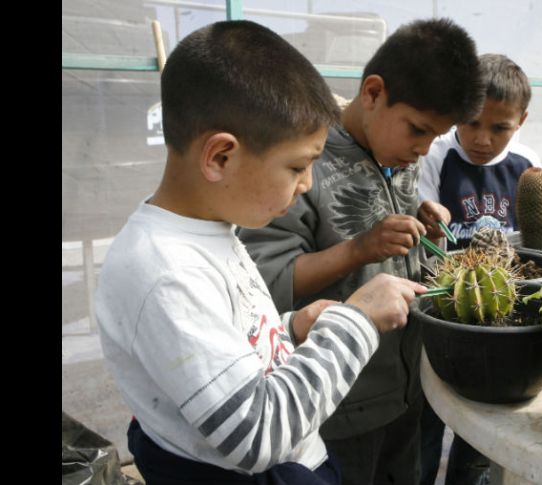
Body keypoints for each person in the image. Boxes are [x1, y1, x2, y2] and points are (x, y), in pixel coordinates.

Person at [94, 20, 427, 485]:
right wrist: (358, 321)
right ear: (220, 157)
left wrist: (291, 328)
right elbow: (256, 434)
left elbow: (232, 352)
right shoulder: (166, 273)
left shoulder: (210, 230)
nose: (308, 183)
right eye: (298, 166)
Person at [236, 18, 484, 485]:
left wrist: (422, 218)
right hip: (337, 405)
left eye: (435, 136)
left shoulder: (398, 154)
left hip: (407, 389)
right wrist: (359, 249)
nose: (423, 149)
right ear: (372, 93)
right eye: (417, 129)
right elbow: (265, 285)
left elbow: (395, 224)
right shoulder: (301, 160)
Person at [417, 54, 541, 485]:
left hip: (500, 314)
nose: (483, 139)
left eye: (500, 127)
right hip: (443, 306)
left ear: (521, 120)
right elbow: (425, 237)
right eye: (471, 121)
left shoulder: (527, 164)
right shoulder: (434, 155)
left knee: (483, 425)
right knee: (429, 412)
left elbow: (537, 242)